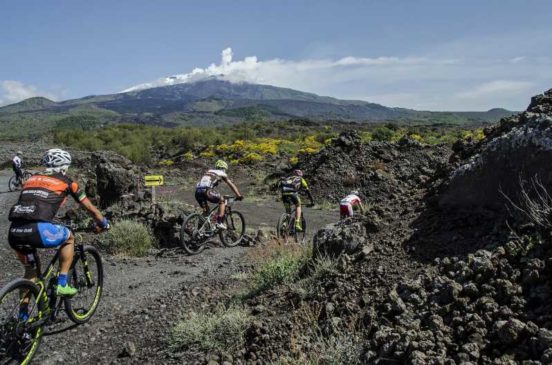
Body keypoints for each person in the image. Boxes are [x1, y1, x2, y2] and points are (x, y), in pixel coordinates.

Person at [8, 149, 110, 320]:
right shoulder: (68, 182)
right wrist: (103, 223)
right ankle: (62, 283)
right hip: (38, 230)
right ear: (64, 166)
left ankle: (22, 319)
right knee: (69, 236)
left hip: (15, 231)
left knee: (31, 273)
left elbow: (33, 204)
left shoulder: (30, 179)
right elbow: (90, 208)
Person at [195, 160, 243, 230]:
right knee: (222, 200)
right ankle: (218, 221)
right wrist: (239, 195)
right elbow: (231, 185)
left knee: (206, 211)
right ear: (223, 168)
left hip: (198, 192)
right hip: (207, 191)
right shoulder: (221, 173)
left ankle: (198, 230)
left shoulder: (209, 171)